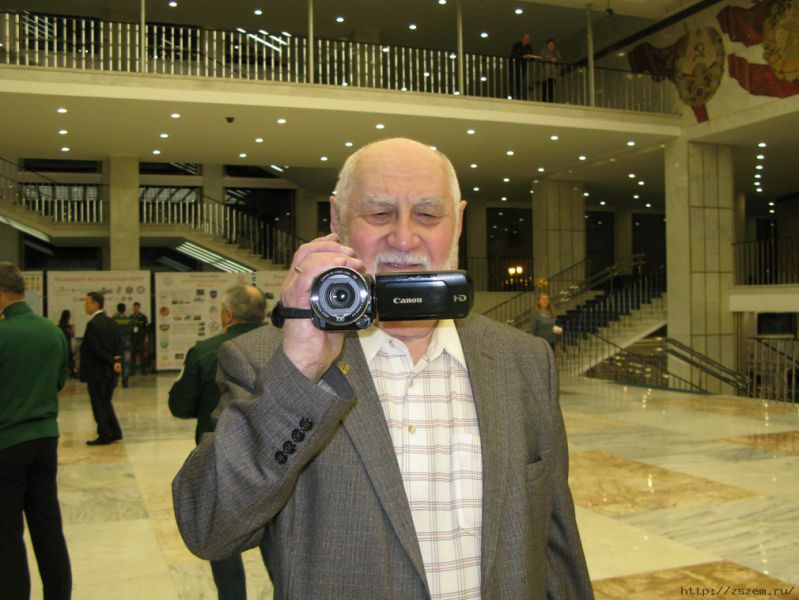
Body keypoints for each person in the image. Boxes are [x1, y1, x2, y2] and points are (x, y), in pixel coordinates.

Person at [172, 138, 592, 599]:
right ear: (337, 221)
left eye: (428, 215)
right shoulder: (269, 362)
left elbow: (556, 549)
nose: (404, 239)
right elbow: (209, 528)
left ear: (458, 222)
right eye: (378, 214)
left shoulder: (524, 361)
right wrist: (300, 367)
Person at [168, 284, 267, 600]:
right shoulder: (284, 346)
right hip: (274, 457)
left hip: (219, 459)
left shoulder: (206, 351)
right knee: (278, 537)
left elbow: (180, 405)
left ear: (227, 314)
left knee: (222, 538)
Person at [0, 262, 72, 599]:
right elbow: (59, 381)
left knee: (7, 532)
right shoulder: (52, 331)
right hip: (45, 439)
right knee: (47, 524)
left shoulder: (3, 333)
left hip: (7, 442)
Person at [80, 291, 123, 446]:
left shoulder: (93, 324)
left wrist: (110, 360)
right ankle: (115, 431)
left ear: (95, 304)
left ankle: (104, 435)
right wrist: (116, 360)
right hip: (110, 371)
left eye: (87, 303)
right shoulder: (112, 323)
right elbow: (119, 344)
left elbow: (95, 348)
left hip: (97, 371)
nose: (85, 306)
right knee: (106, 402)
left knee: (99, 404)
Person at [111, 303, 134, 387]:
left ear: (117, 309)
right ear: (124, 310)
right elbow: (132, 330)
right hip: (127, 342)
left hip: (116, 343)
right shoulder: (129, 320)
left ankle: (115, 381)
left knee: (116, 361)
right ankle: (125, 381)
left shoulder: (113, 319)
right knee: (126, 363)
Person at [510, 32, 535, 100]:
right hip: (516, 68)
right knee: (516, 82)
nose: (527, 39)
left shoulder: (529, 47)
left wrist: (529, 57)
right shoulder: (516, 45)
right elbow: (513, 54)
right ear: (522, 38)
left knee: (524, 82)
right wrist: (522, 56)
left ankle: (524, 97)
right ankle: (516, 97)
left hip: (524, 68)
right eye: (525, 38)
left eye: (528, 38)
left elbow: (532, 57)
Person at [540, 38, 563, 103]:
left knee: (551, 89)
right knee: (545, 89)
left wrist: (556, 59)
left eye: (553, 44)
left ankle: (550, 101)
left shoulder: (556, 52)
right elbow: (541, 59)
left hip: (553, 74)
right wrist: (549, 59)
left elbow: (561, 60)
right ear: (547, 45)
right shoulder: (544, 51)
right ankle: (545, 102)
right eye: (550, 44)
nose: (551, 46)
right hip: (545, 74)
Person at [130, 301, 149, 376]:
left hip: (141, 338)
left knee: (142, 355)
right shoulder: (131, 317)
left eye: (137, 307)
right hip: (133, 339)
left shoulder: (143, 317)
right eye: (134, 307)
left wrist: (146, 338)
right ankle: (132, 370)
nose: (135, 309)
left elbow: (146, 328)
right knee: (133, 355)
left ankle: (143, 370)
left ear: (139, 307)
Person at [58, 309, 77, 377]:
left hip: (62, 345)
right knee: (70, 359)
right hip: (67, 345)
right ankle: (72, 372)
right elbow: (71, 335)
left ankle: (66, 372)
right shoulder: (67, 326)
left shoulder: (60, 325)